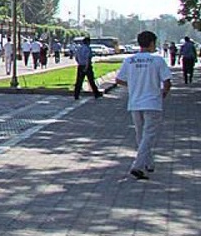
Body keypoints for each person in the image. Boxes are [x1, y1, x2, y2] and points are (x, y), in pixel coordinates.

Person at [115, 30, 171, 180]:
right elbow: (167, 81)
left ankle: (149, 163)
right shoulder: (157, 60)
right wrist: (163, 93)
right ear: (152, 43)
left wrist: (132, 85)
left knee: (141, 134)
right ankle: (137, 165)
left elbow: (119, 80)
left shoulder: (129, 60)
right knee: (149, 135)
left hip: (135, 101)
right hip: (152, 102)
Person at [73, 35, 103, 100]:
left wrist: (79, 63)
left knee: (79, 81)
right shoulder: (88, 48)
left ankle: (76, 95)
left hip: (80, 66)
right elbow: (88, 59)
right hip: (87, 66)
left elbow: (76, 58)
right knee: (91, 80)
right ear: (87, 42)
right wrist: (86, 67)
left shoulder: (79, 48)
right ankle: (96, 94)